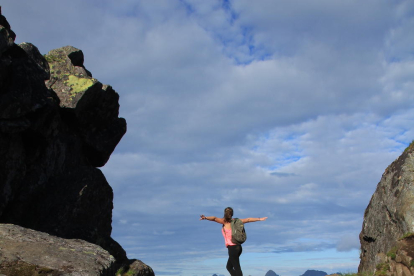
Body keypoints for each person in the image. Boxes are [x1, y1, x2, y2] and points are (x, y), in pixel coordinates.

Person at [200, 207, 268, 276]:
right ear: (232, 214)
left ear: (225, 213)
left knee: (237, 268)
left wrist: (205, 218)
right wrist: (259, 219)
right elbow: (248, 219)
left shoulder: (225, 222)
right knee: (229, 267)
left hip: (232, 248)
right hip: (238, 247)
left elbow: (214, 218)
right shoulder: (237, 221)